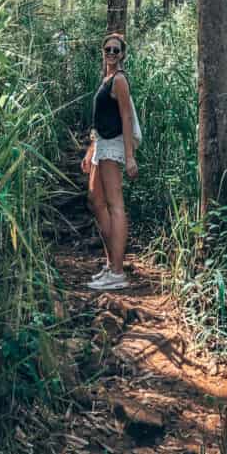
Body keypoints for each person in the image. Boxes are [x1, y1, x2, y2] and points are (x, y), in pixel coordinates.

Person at [81, 32, 138, 290]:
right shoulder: (105, 80)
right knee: (95, 200)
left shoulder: (119, 80)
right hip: (102, 144)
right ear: (102, 52)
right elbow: (99, 119)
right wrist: (91, 149)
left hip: (114, 145)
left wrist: (129, 157)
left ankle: (117, 272)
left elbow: (126, 118)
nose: (111, 54)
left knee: (115, 205)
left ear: (123, 55)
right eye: (108, 50)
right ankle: (110, 262)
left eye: (116, 50)